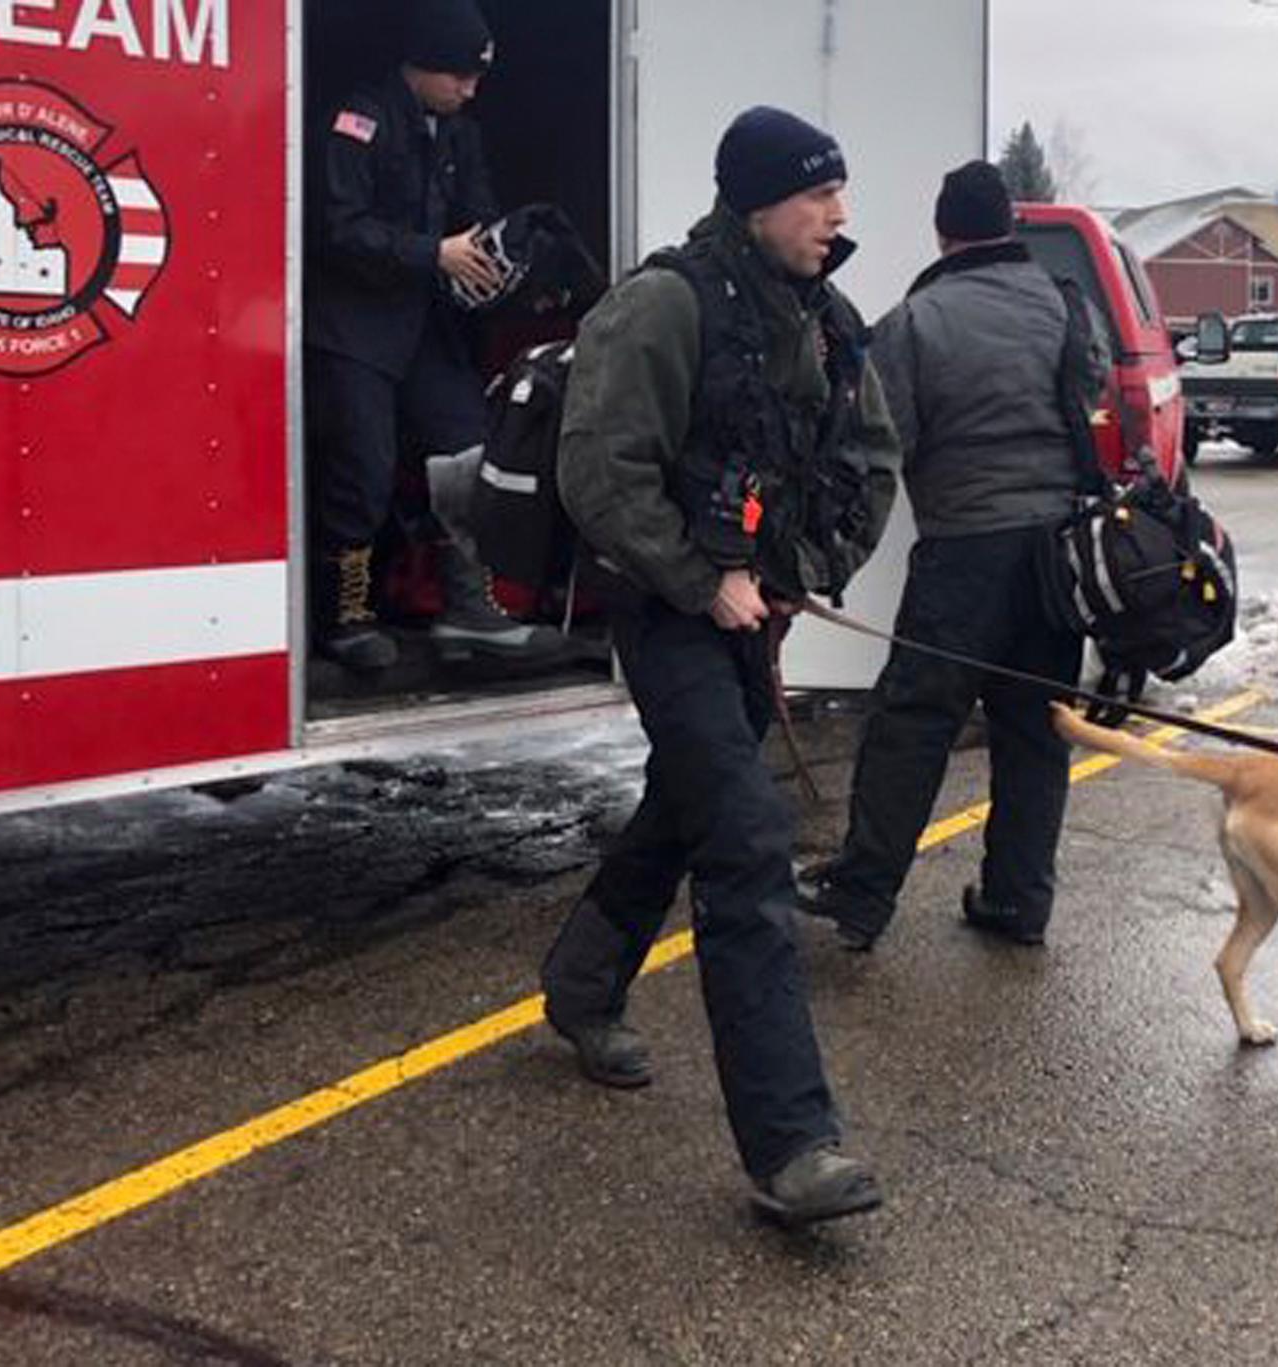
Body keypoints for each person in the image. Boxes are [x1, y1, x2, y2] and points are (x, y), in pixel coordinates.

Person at [539, 107, 901, 1226]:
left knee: (690, 806)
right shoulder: (663, 305)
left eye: (839, 194)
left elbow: (869, 462)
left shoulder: (828, 320)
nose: (837, 216)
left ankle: (582, 982)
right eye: (814, 197)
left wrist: (794, 567)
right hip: (667, 611)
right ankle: (791, 1145)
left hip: (752, 610)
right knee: (744, 836)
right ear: (755, 201)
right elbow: (599, 471)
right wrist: (702, 579)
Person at [799, 159, 1105, 953]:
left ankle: (863, 898)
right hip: (1056, 560)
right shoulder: (1062, 304)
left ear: (944, 231)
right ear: (1010, 226)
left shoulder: (917, 321)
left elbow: (883, 437)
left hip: (965, 551)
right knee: (1036, 730)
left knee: (913, 722)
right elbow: (1091, 387)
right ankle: (1018, 901)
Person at [306, 0, 562, 672]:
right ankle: (343, 617)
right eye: (459, 77)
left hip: (428, 328)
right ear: (421, 63)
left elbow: (474, 213)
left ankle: (467, 609)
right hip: (353, 329)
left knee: (468, 455)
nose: (470, 90)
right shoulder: (359, 120)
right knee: (360, 470)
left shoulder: (459, 132)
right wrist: (432, 253)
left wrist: (507, 254)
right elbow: (338, 229)